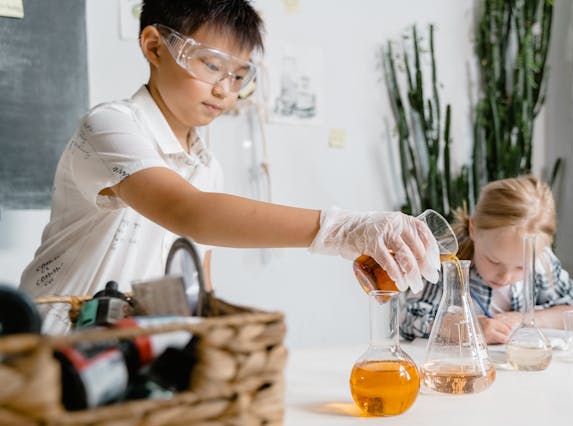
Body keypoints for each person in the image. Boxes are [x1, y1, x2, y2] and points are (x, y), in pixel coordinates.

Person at [20, 0, 439, 333]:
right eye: (212, 65)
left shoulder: (207, 168)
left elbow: (196, 290)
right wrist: (340, 229)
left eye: (239, 76)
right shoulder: (110, 125)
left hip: (125, 356)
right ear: (153, 46)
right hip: (46, 347)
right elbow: (192, 214)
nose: (224, 90)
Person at [401, 175, 573, 344]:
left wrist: (526, 319)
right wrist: (465, 329)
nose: (505, 277)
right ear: (473, 229)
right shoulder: (449, 262)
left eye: (521, 268)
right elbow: (408, 318)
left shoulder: (541, 261)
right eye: (494, 261)